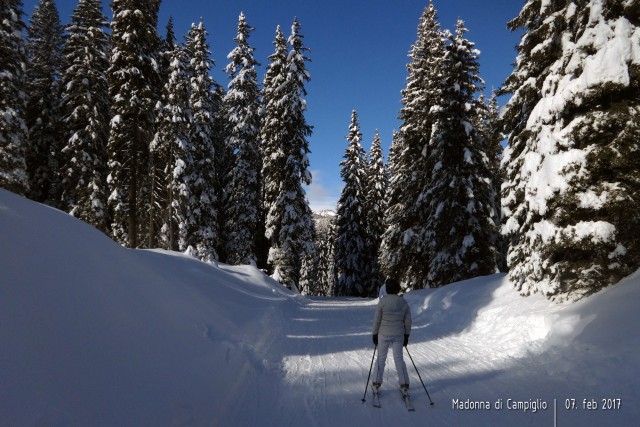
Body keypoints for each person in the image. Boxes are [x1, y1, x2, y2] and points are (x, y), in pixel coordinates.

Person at [371, 277, 412, 397]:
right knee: (399, 359)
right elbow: (408, 320)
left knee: (381, 359)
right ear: (397, 289)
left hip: (383, 334)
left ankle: (376, 384)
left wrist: (374, 334)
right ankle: (404, 385)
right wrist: (406, 335)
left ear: (387, 289)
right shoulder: (403, 302)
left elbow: (377, 319)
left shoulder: (382, 302)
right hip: (398, 334)